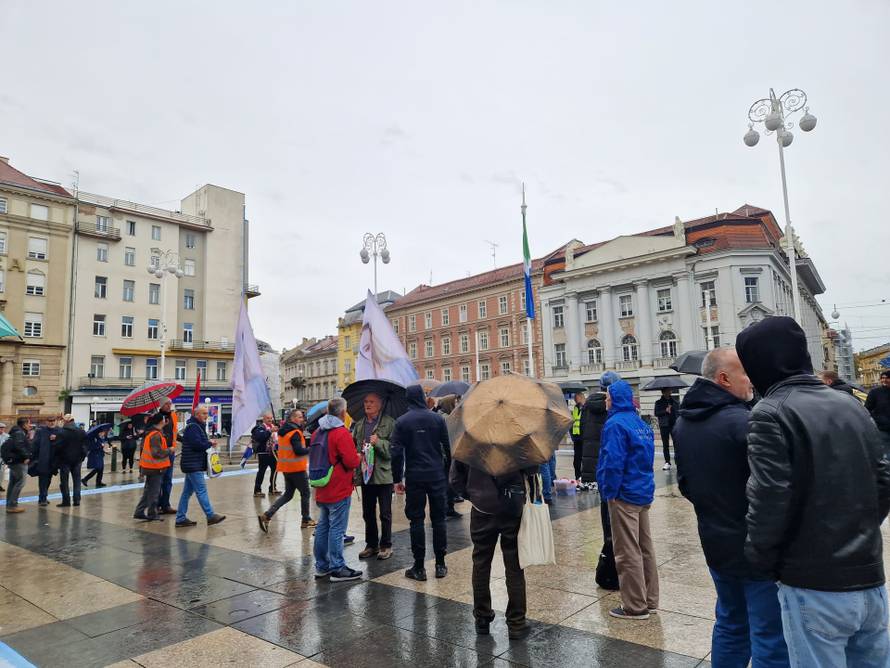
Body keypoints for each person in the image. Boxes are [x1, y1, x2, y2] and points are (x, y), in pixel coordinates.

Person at [736, 316, 890, 667]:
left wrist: (759, 557)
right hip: (868, 577)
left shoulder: (769, 412)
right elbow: (883, 479)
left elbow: (770, 495)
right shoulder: (850, 403)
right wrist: (859, 530)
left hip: (812, 582)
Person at [673, 348, 789, 667]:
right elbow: (773, 488)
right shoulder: (745, 422)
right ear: (724, 378)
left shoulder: (683, 424)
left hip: (716, 543)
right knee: (770, 635)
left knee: (730, 624)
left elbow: (685, 485)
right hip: (756, 548)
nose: (750, 380)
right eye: (744, 373)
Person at [450, 458, 536, 640]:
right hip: (511, 505)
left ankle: (482, 618)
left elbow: (455, 479)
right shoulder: (516, 434)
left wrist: (473, 494)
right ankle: (516, 622)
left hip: (481, 507)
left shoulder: (471, 437)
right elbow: (532, 468)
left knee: (481, 562)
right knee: (514, 564)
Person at [597, 379, 659, 620]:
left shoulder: (615, 424)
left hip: (624, 494)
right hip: (642, 491)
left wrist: (609, 492)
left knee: (626, 550)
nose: (605, 400)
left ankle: (634, 605)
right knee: (645, 547)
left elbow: (613, 462)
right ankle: (651, 599)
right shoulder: (639, 422)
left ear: (615, 398)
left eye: (607, 396)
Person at [392, 384, 451, 581]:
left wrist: (397, 479)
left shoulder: (402, 422)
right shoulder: (437, 418)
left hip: (415, 476)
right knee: (439, 519)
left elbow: (396, 454)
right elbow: (447, 447)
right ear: (423, 397)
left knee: (416, 520)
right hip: (436, 475)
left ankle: (419, 566)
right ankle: (440, 564)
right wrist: (446, 471)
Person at [312, 397, 362, 582]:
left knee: (323, 527)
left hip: (322, 487)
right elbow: (351, 461)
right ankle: (337, 568)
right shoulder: (340, 433)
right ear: (342, 413)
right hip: (338, 487)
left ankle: (321, 566)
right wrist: (358, 456)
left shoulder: (318, 431)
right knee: (337, 529)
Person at [350, 393, 396, 561]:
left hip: (383, 474)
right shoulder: (360, 424)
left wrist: (380, 442)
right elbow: (355, 445)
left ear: (380, 404)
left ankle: (386, 545)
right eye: (365, 401)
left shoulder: (390, 423)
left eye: (371, 402)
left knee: (385, 513)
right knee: (367, 512)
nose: (367, 404)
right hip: (366, 474)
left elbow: (395, 449)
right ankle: (371, 544)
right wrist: (358, 454)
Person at [258, 409, 315, 532]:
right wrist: (311, 449)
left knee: (288, 495)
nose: (302, 419)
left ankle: (267, 515)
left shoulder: (283, 432)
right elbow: (298, 451)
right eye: (299, 417)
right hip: (297, 469)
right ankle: (306, 520)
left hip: (286, 469)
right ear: (293, 418)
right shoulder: (294, 432)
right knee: (305, 493)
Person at [175, 405, 226, 527]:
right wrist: (209, 443)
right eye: (203, 413)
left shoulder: (197, 426)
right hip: (193, 464)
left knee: (186, 493)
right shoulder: (193, 427)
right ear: (196, 415)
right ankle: (210, 515)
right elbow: (196, 445)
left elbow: (197, 443)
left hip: (192, 463)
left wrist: (208, 442)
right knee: (201, 490)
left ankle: (180, 518)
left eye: (206, 413)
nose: (206, 416)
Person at [580, 371, 620, 492]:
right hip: (609, 453)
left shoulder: (587, 403)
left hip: (590, 453)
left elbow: (582, 427)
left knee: (602, 495)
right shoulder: (614, 404)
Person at [133, 412, 171, 521]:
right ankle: (152, 513)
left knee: (148, 491)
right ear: (160, 421)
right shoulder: (155, 435)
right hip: (155, 468)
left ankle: (139, 511)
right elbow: (157, 453)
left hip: (149, 467)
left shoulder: (153, 433)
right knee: (154, 491)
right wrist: (170, 450)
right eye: (164, 419)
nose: (166, 420)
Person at [56, 415, 86, 507]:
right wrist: (82, 457)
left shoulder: (61, 432)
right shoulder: (81, 431)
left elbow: (58, 446)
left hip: (65, 460)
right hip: (77, 460)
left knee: (64, 481)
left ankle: (66, 501)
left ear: (66, 421)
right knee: (77, 480)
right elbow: (84, 446)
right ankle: (77, 500)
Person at [3, 417, 32, 513]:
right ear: (24, 424)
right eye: (28, 423)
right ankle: (12, 505)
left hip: (13, 461)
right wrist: (26, 456)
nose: (30, 426)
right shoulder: (19, 433)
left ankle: (9, 504)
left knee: (13, 482)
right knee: (20, 483)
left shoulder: (15, 432)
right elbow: (19, 445)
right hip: (19, 461)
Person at [155, 399, 179, 515]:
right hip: (160, 452)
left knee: (168, 480)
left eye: (170, 404)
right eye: (166, 404)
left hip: (171, 451)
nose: (169, 406)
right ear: (161, 405)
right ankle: (157, 505)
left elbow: (175, 433)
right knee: (159, 480)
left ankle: (166, 504)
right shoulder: (156, 416)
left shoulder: (173, 416)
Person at [32, 417, 60, 506]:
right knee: (43, 480)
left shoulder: (58, 431)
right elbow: (35, 444)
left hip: (54, 460)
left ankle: (44, 496)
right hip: (43, 459)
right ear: (46, 422)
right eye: (49, 421)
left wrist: (57, 438)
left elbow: (62, 442)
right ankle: (42, 498)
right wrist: (34, 458)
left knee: (48, 479)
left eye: (53, 421)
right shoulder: (41, 431)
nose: (51, 423)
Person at [252, 412, 280, 496]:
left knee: (275, 470)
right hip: (263, 452)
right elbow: (260, 437)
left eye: (271, 418)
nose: (270, 420)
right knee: (261, 471)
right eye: (268, 418)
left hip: (273, 452)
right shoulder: (260, 427)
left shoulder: (273, 427)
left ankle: (272, 488)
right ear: (263, 419)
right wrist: (270, 431)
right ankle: (257, 490)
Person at [653, 388, 679, 471]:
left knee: (677, 443)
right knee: (665, 444)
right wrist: (665, 410)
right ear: (663, 392)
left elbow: (678, 412)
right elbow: (656, 413)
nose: (670, 392)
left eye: (670, 390)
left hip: (674, 425)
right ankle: (667, 462)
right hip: (664, 425)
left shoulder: (674, 402)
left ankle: (678, 460)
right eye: (668, 390)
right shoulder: (658, 402)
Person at [866, 369, 890, 454]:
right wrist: (878, 419)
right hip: (882, 429)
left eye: (887, 378)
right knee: (886, 454)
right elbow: (867, 409)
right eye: (882, 378)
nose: (884, 380)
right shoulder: (875, 392)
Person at [571, 392, 585, 482]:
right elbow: (574, 421)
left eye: (576, 398)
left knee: (584, 459)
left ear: (581, 397)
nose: (575, 400)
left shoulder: (586, 407)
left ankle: (584, 478)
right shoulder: (575, 408)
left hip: (584, 437)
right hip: (576, 438)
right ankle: (577, 477)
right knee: (576, 460)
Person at [0, 421, 8, 492]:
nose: (1, 430)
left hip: (2, 457)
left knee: (1, 472)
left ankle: (0, 485)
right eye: (0, 428)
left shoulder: (7, 436)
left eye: (3, 428)